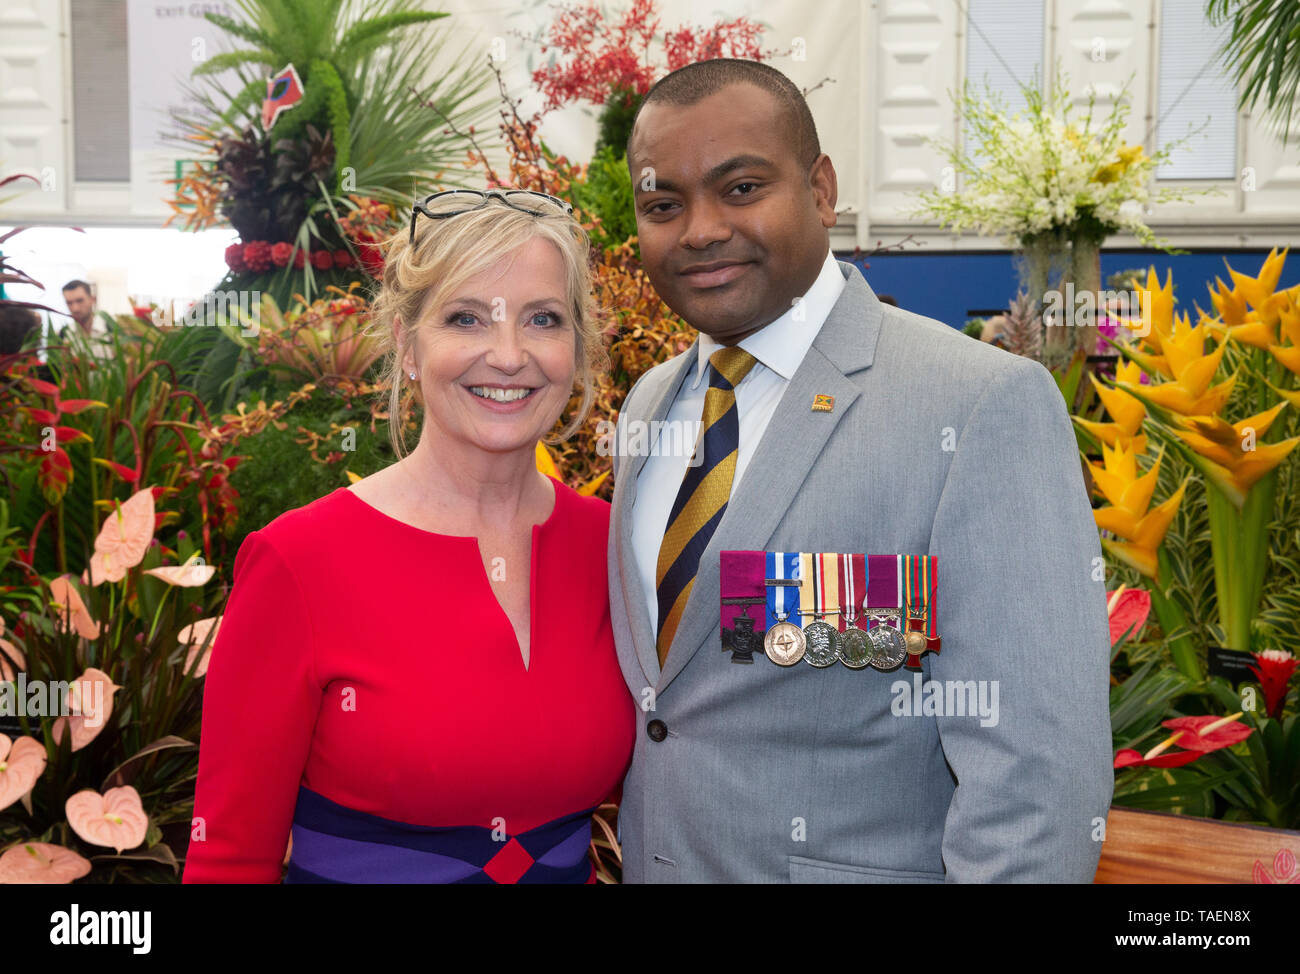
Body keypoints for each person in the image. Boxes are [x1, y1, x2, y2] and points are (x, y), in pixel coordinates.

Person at [608, 59, 1112, 883]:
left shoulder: (978, 404)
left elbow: (1035, 781)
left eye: (740, 189)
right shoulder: (649, 407)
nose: (698, 229)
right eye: (664, 205)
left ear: (821, 190)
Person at [184, 189, 635, 883]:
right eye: (465, 318)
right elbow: (230, 855)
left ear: (577, 346)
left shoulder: (613, 545)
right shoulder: (300, 561)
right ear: (407, 345)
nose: (509, 355)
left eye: (542, 319)